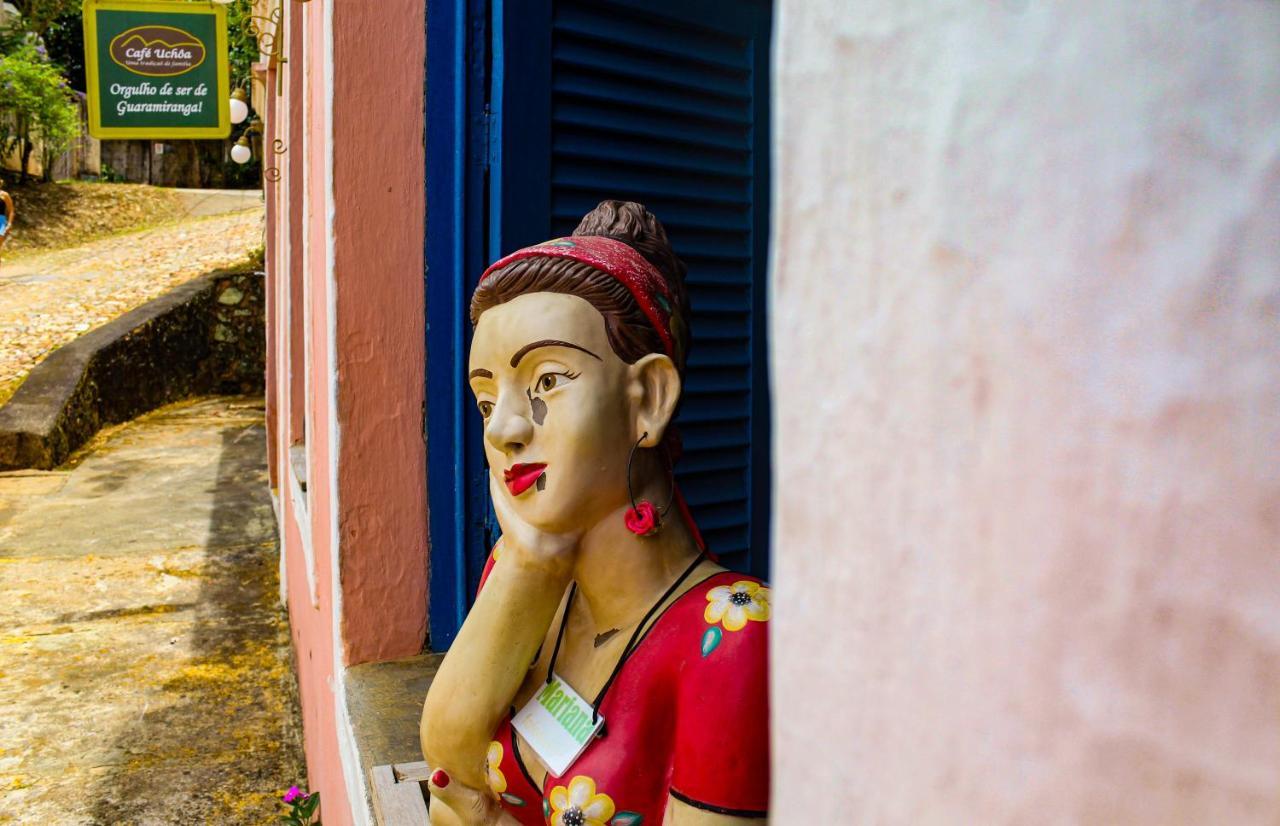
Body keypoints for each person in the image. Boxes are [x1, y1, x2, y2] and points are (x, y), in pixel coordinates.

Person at [420, 201, 770, 826]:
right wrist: (529, 563)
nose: (503, 427)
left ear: (649, 400)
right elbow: (448, 769)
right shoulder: (524, 571)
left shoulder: (735, 642)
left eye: (547, 381)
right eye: (484, 400)